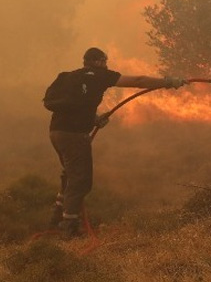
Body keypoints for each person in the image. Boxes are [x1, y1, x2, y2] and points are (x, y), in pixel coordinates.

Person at [48, 47, 187, 238]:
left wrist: (94, 120)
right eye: (105, 61)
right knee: (80, 180)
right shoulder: (101, 75)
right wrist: (168, 82)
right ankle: (69, 226)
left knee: (71, 173)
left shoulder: (72, 76)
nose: (106, 65)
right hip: (74, 136)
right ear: (98, 62)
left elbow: (76, 105)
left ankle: (57, 215)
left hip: (56, 132)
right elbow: (139, 81)